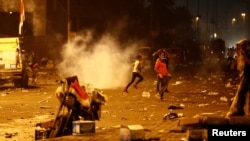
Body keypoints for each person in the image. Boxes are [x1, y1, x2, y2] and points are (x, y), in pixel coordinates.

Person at [226, 39, 250, 117]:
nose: (240, 49)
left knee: (242, 93)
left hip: (248, 76)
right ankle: (240, 111)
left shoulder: (248, 53)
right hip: (246, 76)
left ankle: (241, 111)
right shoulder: (242, 54)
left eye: (241, 47)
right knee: (241, 93)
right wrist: (233, 63)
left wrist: (244, 55)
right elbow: (235, 67)